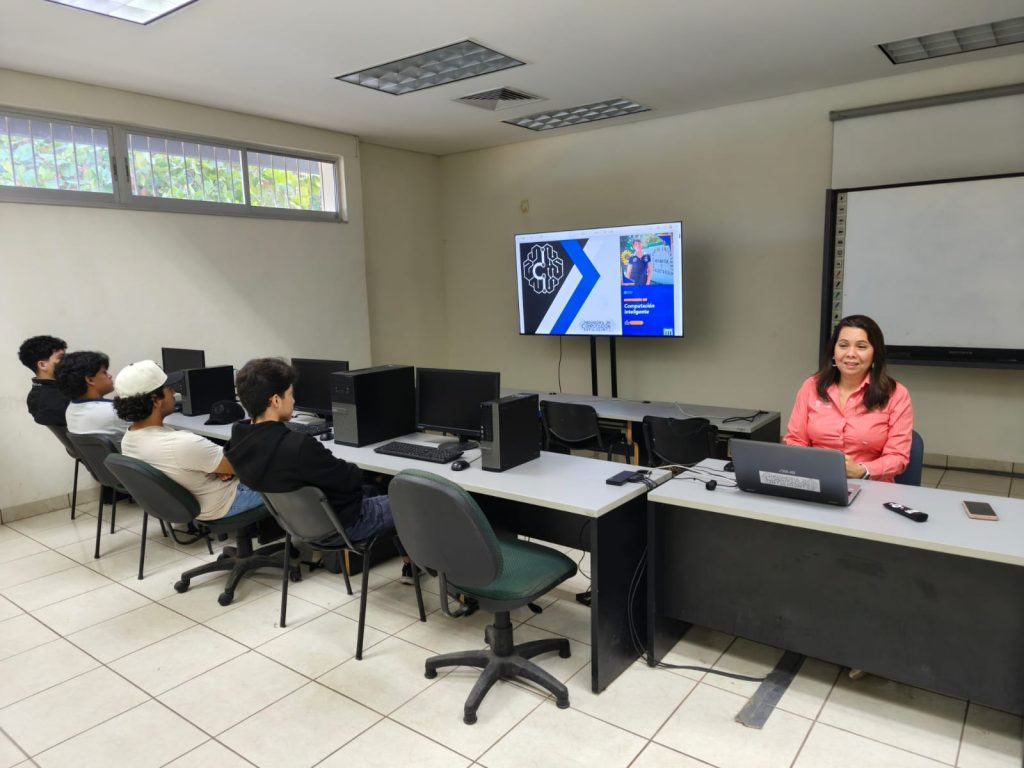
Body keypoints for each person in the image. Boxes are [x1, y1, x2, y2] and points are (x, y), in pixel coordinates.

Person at [226, 357, 416, 583]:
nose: (294, 400)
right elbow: (350, 479)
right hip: (343, 525)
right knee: (411, 500)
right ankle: (434, 574)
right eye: (290, 394)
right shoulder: (297, 447)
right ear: (276, 400)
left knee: (377, 488)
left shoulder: (238, 442)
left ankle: (410, 564)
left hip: (299, 527)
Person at [113, 360, 264, 521]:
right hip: (226, 502)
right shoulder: (182, 444)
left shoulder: (129, 439)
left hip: (192, 505)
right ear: (155, 401)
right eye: (168, 388)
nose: (174, 392)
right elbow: (245, 466)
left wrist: (214, 466)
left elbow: (181, 464)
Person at [784, 314, 913, 483]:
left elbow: (898, 456)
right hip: (817, 480)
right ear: (834, 351)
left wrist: (862, 470)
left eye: (861, 347)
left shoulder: (896, 394)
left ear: (875, 354)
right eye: (843, 345)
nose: (850, 354)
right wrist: (813, 466)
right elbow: (795, 440)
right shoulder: (811, 386)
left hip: (872, 485)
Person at [55, 351, 129, 442]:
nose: (110, 376)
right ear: (90, 380)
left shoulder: (70, 410)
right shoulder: (113, 412)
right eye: (104, 372)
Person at [18, 335, 69, 426]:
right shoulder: (52, 403)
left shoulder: (37, 396)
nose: (68, 361)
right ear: (42, 365)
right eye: (61, 358)